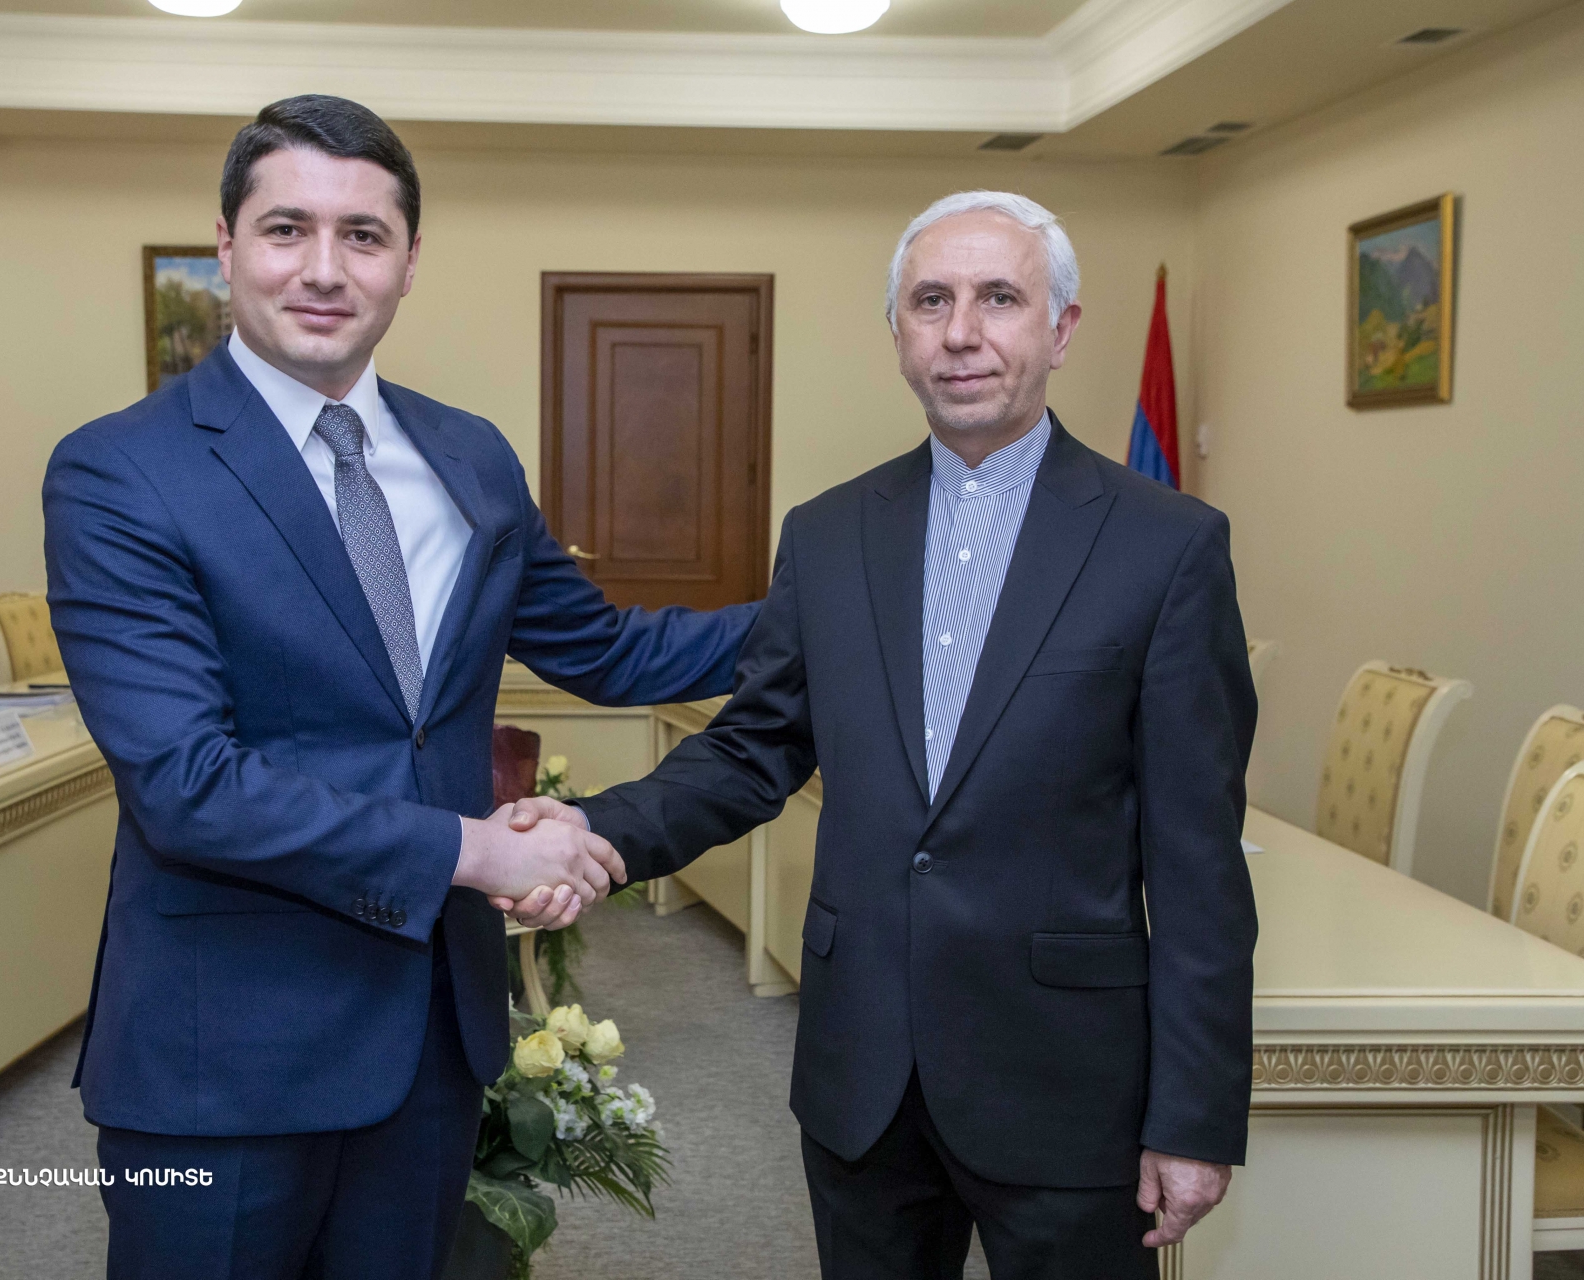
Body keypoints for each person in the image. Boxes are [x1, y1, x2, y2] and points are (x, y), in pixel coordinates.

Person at [42, 94, 757, 1280]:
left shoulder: (469, 454)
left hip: (430, 1035)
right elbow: (187, 785)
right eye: (287, 228)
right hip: (225, 1048)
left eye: (363, 235)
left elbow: (610, 650)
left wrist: (848, 600)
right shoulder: (122, 470)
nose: (324, 268)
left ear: (410, 260)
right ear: (226, 245)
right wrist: (478, 851)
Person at [507, 190, 1258, 1278]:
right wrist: (597, 832)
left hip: (1067, 1081)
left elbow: (1198, 863)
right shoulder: (828, 534)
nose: (962, 332)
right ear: (898, 331)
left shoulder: (1167, 546)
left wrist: (1193, 1113)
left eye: (1000, 298)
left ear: (1061, 329)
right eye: (931, 301)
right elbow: (753, 747)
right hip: (863, 1071)